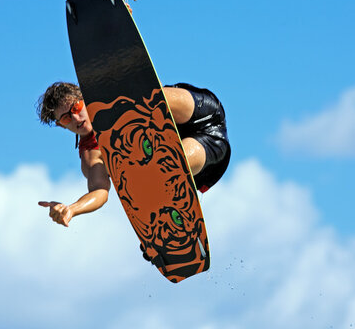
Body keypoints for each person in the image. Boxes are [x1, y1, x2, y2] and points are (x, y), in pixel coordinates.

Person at [36, 81, 230, 227]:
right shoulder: (91, 154)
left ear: (85, 99)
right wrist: (71, 209)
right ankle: (165, 213)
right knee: (161, 169)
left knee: (149, 97)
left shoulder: (105, 94)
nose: (76, 118)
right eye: (66, 118)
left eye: (77, 108)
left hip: (201, 113)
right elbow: (99, 191)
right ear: (62, 126)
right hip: (209, 155)